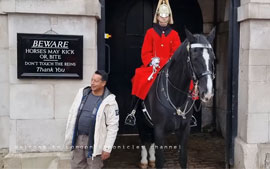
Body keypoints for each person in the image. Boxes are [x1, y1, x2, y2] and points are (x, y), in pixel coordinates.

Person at [125, 0, 181, 125]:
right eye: (162, 15)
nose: (164, 18)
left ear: (169, 17)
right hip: (153, 67)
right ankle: (133, 111)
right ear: (157, 16)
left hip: (169, 67)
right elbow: (145, 51)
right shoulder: (150, 32)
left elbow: (176, 53)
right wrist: (151, 61)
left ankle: (188, 112)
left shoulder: (174, 34)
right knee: (139, 76)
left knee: (187, 79)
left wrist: (166, 62)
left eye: (166, 16)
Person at [64, 70, 119, 169]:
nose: (92, 83)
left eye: (96, 81)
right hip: (78, 138)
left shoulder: (110, 101)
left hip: (95, 141)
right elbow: (72, 114)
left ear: (103, 83)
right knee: (76, 166)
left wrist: (107, 148)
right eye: (92, 80)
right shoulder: (83, 93)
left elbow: (113, 127)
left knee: (94, 167)